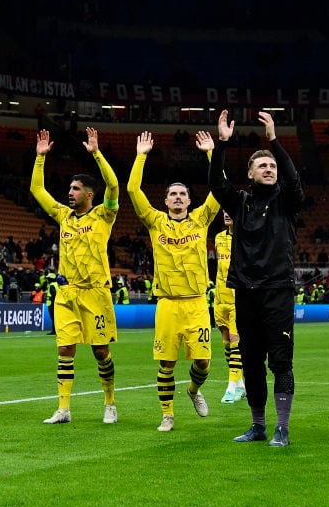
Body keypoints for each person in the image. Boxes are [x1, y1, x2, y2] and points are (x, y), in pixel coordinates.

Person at [209, 110, 303, 447]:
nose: (269, 169)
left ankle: (282, 426)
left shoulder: (288, 202)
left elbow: (293, 180)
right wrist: (221, 144)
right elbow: (216, 183)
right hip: (245, 291)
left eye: (272, 166)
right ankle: (258, 425)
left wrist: (274, 141)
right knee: (250, 362)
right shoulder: (241, 203)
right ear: (249, 173)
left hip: (277, 290)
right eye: (262, 166)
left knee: (281, 361)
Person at [127, 130, 220, 431]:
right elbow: (131, 190)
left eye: (183, 194)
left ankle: (193, 390)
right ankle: (167, 414)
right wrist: (141, 156)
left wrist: (211, 152)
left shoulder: (201, 220)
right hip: (167, 304)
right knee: (166, 364)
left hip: (196, 304)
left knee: (203, 362)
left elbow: (221, 188)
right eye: (173, 194)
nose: (178, 197)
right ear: (165, 201)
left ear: (190, 201)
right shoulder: (155, 222)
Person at [31, 127, 120, 425]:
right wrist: (40, 159)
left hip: (96, 292)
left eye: (75, 189)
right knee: (65, 350)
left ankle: (109, 402)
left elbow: (114, 185)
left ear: (90, 194)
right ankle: (64, 408)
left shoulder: (104, 215)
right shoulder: (62, 216)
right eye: (69, 189)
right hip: (67, 293)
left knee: (100, 351)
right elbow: (37, 191)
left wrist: (96, 153)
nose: (69, 192)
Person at [213, 210, 245, 404]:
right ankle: (240, 383)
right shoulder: (218, 238)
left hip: (238, 298)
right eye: (225, 209)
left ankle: (231, 386)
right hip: (220, 298)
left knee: (235, 342)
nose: (227, 213)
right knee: (226, 342)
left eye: (231, 209)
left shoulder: (246, 237)